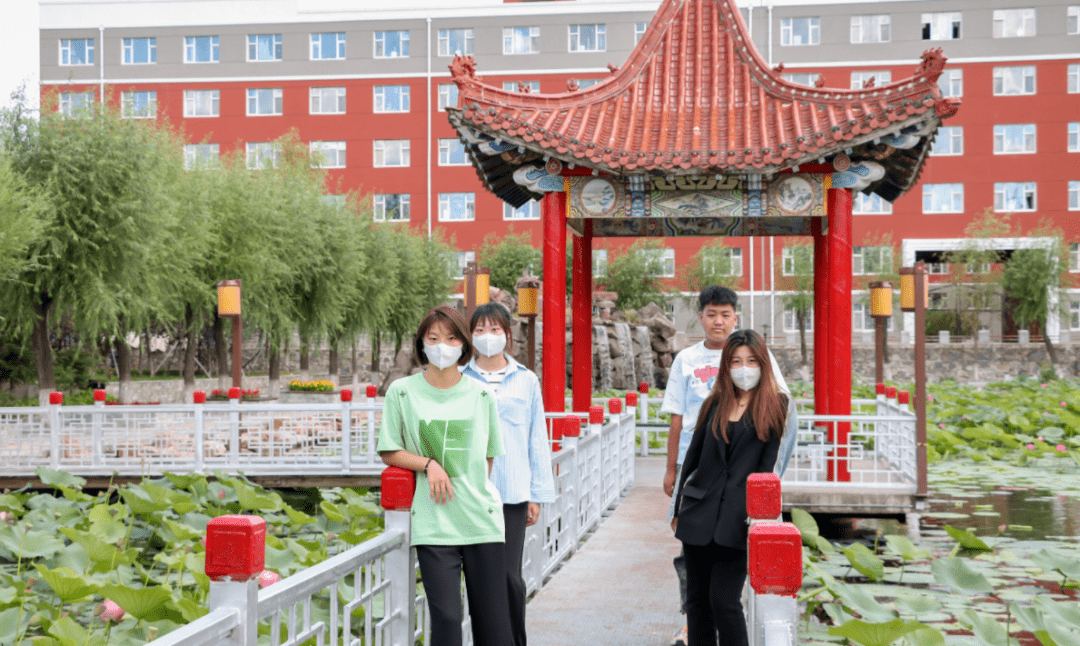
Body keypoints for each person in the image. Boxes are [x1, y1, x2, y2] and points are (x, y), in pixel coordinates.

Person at [660, 285, 794, 645]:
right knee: (697, 602)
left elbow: (769, 467)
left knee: (725, 601)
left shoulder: (773, 408)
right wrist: (676, 506)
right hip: (698, 513)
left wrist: (763, 515)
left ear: (762, 364)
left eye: (751, 362)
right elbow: (691, 460)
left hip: (738, 518)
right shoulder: (714, 404)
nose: (743, 368)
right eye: (736, 362)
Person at [377, 305, 512, 646]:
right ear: (421, 343)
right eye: (434, 338)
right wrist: (428, 464)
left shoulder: (482, 395)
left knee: (494, 629)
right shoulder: (402, 392)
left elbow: (488, 458)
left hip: (481, 520)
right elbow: (389, 449)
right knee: (448, 621)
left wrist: (470, 489)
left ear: (464, 345)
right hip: (435, 524)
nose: (442, 346)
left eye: (451, 338)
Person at [462, 302, 556, 646]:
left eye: (496, 330)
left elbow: (536, 437)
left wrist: (536, 493)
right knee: (479, 576)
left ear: (507, 334)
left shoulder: (526, 379)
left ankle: (515, 639)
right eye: (481, 331)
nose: (489, 337)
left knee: (508, 576)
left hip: (513, 493)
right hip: (471, 492)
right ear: (471, 337)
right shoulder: (460, 378)